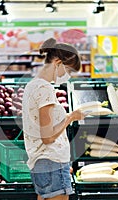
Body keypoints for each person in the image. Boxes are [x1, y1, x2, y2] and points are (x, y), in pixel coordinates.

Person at [22, 38, 86, 200]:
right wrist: (71, 117)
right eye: (69, 71)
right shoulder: (45, 88)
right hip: (51, 161)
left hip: (41, 162)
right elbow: (48, 137)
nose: (69, 76)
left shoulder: (32, 85)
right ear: (57, 62)